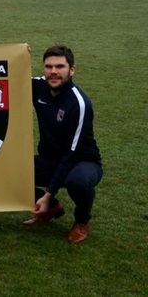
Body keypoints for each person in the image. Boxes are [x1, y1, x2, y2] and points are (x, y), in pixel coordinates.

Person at [23, 45, 102, 243]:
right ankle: (52, 209)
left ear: (71, 70)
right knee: (12, 170)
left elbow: (71, 154)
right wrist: (15, 53)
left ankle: (82, 221)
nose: (53, 72)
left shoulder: (79, 103)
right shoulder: (38, 86)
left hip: (81, 162)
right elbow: (7, 77)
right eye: (48, 66)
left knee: (78, 182)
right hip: (51, 160)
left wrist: (48, 193)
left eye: (60, 66)